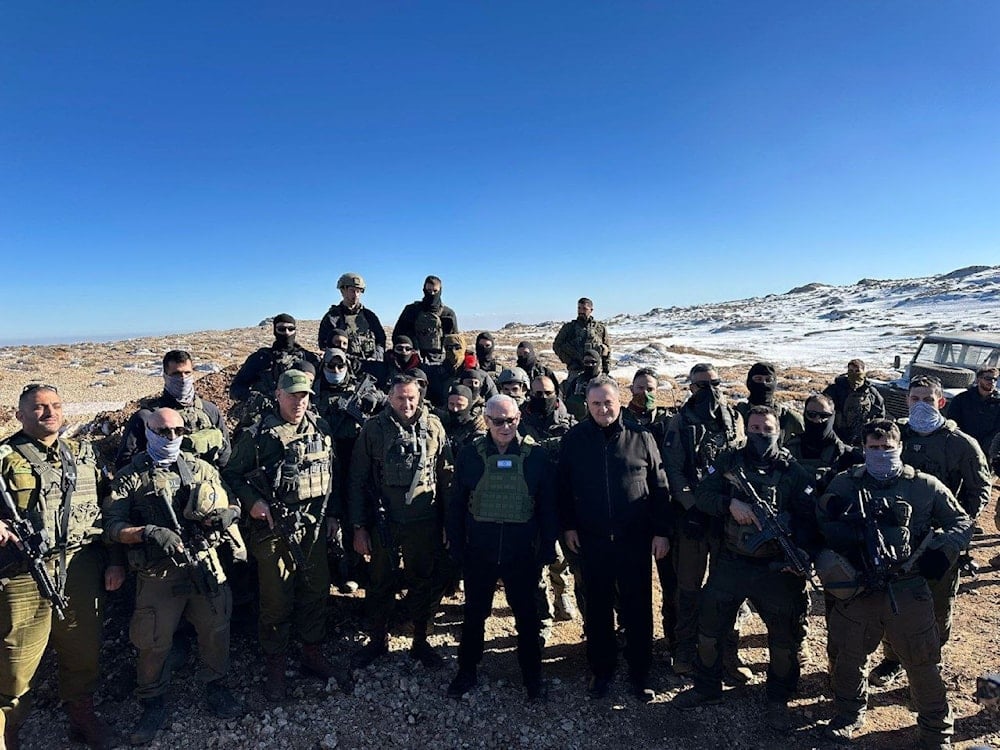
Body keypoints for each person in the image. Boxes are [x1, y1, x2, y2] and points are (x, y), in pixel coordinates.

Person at [816, 419, 971, 748]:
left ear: (900, 447)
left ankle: (935, 729)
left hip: (908, 587)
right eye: (873, 448)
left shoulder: (924, 485)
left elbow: (960, 521)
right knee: (848, 655)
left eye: (887, 448)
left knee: (923, 661)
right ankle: (849, 713)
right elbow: (820, 519)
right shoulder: (847, 482)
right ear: (863, 449)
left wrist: (943, 553)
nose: (881, 454)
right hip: (859, 586)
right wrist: (842, 524)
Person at [672, 406, 819, 733]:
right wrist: (730, 504)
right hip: (733, 562)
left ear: (778, 431)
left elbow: (811, 518)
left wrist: (802, 552)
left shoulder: (794, 472)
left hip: (777, 569)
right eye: (753, 428)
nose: (759, 435)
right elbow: (703, 495)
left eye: (766, 429)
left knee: (784, 637)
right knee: (710, 627)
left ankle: (778, 698)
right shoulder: (728, 462)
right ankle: (707, 688)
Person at [105, 407, 242, 744]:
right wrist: (147, 532)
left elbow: (233, 501)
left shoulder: (200, 468)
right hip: (157, 572)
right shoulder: (131, 476)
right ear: (147, 431)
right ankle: (152, 700)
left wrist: (228, 515)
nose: (171, 438)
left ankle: (215, 684)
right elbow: (111, 527)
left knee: (216, 626)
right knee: (153, 640)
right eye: (162, 431)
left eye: (178, 432)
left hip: (204, 563)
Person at [0, 383, 121, 750]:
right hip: (23, 573)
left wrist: (115, 560)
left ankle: (81, 715)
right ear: (20, 415)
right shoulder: (5, 456)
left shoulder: (84, 453)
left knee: (82, 648)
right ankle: (9, 730)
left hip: (80, 565)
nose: (49, 412)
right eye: (38, 408)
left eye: (55, 405)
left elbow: (110, 504)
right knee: (15, 661)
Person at [223, 370, 342, 700]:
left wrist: (333, 515)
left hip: (313, 526)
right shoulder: (260, 434)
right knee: (277, 599)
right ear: (278, 395)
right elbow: (231, 474)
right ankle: (275, 662)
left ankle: (312, 652)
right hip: (274, 529)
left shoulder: (320, 427)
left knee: (316, 590)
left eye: (304, 395)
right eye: (292, 395)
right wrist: (253, 503)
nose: (299, 401)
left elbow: (335, 474)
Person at [868, 374, 990, 688]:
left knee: (937, 607)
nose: (920, 405)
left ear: (941, 401)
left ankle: (927, 666)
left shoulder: (961, 443)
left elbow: (979, 490)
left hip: (939, 541)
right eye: (914, 399)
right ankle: (892, 659)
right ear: (906, 401)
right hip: (895, 539)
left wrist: (957, 532)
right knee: (893, 602)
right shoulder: (894, 437)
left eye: (927, 399)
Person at [557, 375, 670, 702]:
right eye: (596, 404)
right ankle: (601, 669)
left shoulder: (641, 437)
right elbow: (563, 488)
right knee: (598, 607)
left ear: (618, 401)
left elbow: (660, 487)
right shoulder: (575, 440)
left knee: (637, 608)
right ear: (587, 406)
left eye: (608, 402)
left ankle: (640, 672)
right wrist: (568, 527)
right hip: (591, 540)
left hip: (634, 540)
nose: (603, 409)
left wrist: (661, 531)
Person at [445, 395, 558, 701]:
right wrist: (456, 544)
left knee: (527, 617)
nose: (505, 426)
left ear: (518, 418)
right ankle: (466, 671)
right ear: (486, 420)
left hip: (521, 553)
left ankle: (532, 678)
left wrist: (547, 547)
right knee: (474, 615)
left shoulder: (536, 456)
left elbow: (547, 506)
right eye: (498, 421)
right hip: (479, 551)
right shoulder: (471, 454)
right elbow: (457, 503)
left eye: (511, 420)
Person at [349, 375, 453, 670]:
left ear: (419, 397)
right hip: (386, 522)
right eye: (400, 398)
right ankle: (377, 641)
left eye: (411, 398)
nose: (406, 404)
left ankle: (420, 641)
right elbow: (357, 479)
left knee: (424, 582)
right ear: (389, 398)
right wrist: (358, 527)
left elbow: (446, 475)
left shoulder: (434, 426)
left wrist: (448, 522)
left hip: (425, 522)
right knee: (380, 583)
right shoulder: (374, 430)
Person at [660, 363, 746, 676]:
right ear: (691, 388)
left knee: (727, 588)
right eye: (700, 385)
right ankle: (684, 651)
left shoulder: (734, 417)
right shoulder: (681, 422)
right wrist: (691, 504)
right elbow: (673, 470)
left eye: (714, 383)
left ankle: (726, 653)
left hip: (726, 516)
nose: (709, 390)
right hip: (694, 520)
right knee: (689, 589)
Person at [519, 375, 581, 629]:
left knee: (563, 556)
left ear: (557, 394)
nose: (542, 398)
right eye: (536, 394)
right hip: (530, 503)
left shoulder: (571, 426)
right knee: (533, 560)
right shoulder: (519, 424)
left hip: (562, 502)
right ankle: (540, 615)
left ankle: (562, 593)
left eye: (547, 393)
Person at [116, 349, 231, 469]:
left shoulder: (209, 410)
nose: (183, 379)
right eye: (176, 374)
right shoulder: (147, 417)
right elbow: (124, 462)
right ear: (165, 376)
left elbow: (225, 452)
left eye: (187, 373)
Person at [229, 314, 321, 429]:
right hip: (265, 420)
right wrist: (255, 398)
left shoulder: (309, 358)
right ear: (275, 331)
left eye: (291, 329)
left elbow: (322, 389)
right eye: (281, 329)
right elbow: (236, 388)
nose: (287, 333)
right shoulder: (260, 358)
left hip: (300, 418)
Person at [783, 394, 861, 493]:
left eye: (824, 416)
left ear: (833, 416)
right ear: (804, 415)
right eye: (812, 415)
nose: (817, 420)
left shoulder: (847, 455)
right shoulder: (788, 449)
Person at [318, 272, 387, 363]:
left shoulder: (369, 316)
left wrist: (375, 357)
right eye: (352, 290)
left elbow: (381, 341)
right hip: (344, 364)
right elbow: (324, 345)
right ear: (343, 291)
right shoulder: (332, 317)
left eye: (358, 291)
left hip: (370, 364)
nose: (356, 295)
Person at [392, 275, 459, 364]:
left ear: (440, 291)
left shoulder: (448, 314)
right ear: (424, 290)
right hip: (414, 360)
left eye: (435, 291)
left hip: (440, 360)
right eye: (429, 290)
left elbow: (455, 340)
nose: (432, 294)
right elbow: (398, 335)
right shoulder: (411, 310)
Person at [735, 362, 804, 444]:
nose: (764, 383)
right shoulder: (736, 415)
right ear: (749, 382)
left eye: (768, 380)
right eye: (758, 379)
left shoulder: (788, 418)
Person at [822, 359, 886, 446]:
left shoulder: (872, 393)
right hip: (838, 438)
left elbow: (880, 414)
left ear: (863, 372)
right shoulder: (835, 390)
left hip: (863, 439)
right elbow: (822, 408)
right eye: (851, 371)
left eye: (857, 371)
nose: (854, 374)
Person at [945, 366, 1000, 457]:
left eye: (995, 379)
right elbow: (953, 422)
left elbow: (998, 430)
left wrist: (987, 448)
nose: (992, 382)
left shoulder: (998, 403)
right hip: (962, 446)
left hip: (988, 449)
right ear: (978, 380)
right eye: (988, 378)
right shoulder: (962, 399)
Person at [553, 298, 611, 379]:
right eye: (579, 308)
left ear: (591, 310)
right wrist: (570, 362)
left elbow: (606, 350)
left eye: (584, 309)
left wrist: (606, 370)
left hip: (596, 370)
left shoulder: (600, 328)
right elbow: (557, 346)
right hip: (576, 371)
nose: (581, 311)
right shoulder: (569, 328)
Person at [620, 368, 672, 445]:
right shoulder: (621, 418)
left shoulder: (666, 420)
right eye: (640, 388)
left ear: (656, 391)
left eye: (650, 389)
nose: (645, 392)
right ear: (632, 389)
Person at [359, 335, 424, 393]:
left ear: (412, 351)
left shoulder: (420, 368)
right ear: (394, 350)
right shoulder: (383, 367)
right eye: (399, 348)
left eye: (407, 349)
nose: (404, 351)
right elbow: (359, 364)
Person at [436, 385, 487, 456]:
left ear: (468, 405)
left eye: (460, 405)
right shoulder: (440, 422)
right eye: (451, 404)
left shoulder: (476, 426)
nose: (455, 409)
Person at [561, 349, 602, 422]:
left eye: (593, 362)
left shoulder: (607, 383)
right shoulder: (577, 381)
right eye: (586, 362)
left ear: (598, 363)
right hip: (578, 422)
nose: (590, 365)